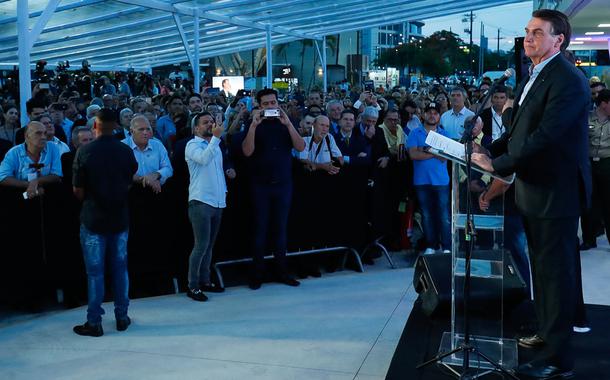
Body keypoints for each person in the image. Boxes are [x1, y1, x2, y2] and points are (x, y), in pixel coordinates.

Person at [472, 9, 591, 379]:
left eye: (538, 33)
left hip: (557, 193)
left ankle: (559, 359)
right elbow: (520, 129)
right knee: (542, 268)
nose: (528, 38)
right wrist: (491, 150)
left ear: (559, 40)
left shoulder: (569, 79)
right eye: (527, 32)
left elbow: (545, 137)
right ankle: (546, 331)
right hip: (535, 190)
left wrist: (501, 165)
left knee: (556, 274)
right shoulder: (533, 76)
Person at [72, 108, 138, 337]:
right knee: (120, 269)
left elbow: (78, 190)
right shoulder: (125, 151)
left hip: (93, 218)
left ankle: (94, 322)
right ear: (117, 125)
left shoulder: (85, 151)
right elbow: (130, 180)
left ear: (96, 126)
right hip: (119, 217)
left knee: (95, 273)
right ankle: (122, 316)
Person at [242, 88, 305, 289]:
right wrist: (253, 125)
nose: (271, 107)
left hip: (283, 184)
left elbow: (301, 147)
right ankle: (257, 274)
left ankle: (282, 271)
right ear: (259, 106)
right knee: (260, 229)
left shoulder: (286, 123)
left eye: (273, 103)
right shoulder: (253, 124)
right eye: (266, 104)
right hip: (260, 185)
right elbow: (247, 151)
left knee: (281, 230)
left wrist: (288, 124)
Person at [185, 112, 236, 301]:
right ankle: (193, 285)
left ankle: (205, 280)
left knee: (209, 246)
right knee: (201, 245)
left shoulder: (216, 145)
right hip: (200, 201)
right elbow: (204, 159)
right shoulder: (192, 145)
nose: (210, 125)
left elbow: (218, 171)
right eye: (205, 123)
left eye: (212, 122)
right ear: (196, 128)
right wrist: (215, 138)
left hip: (217, 202)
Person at [406, 103, 451, 254]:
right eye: (429, 112)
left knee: (444, 215)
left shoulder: (444, 134)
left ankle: (446, 247)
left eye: (435, 113)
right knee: (426, 215)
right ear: (424, 115)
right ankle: (431, 245)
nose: (432, 115)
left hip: (441, 181)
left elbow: (445, 158)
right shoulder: (414, 133)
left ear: (439, 116)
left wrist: (424, 150)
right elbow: (413, 155)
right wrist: (434, 152)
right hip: (421, 181)